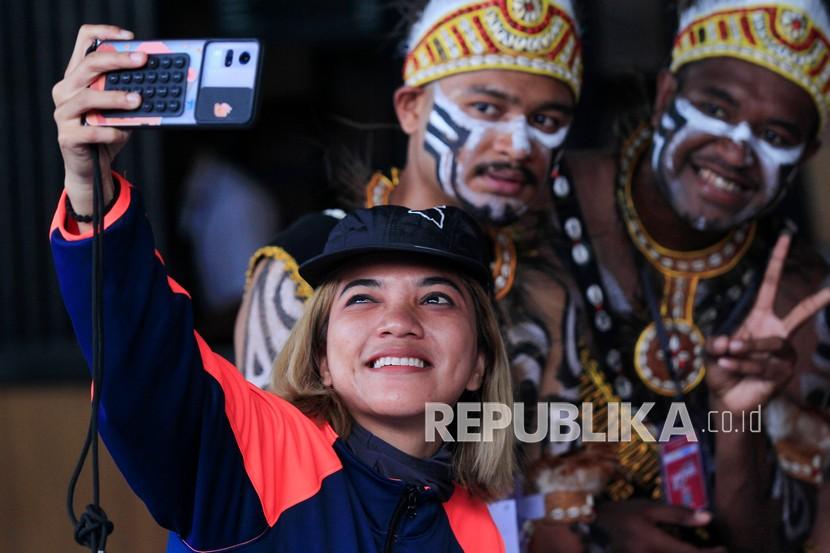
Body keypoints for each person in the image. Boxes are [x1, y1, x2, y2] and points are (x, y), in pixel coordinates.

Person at [49, 69, 518, 550]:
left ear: (480, 362)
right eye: (362, 297)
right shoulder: (253, 454)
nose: (398, 321)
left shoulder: (482, 534)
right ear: (321, 358)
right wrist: (93, 195)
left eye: (436, 298)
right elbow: (149, 363)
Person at [532, 0, 830, 551]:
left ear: (807, 153)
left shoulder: (803, 298)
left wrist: (738, 423)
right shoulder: (538, 208)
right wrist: (583, 533)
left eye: (776, 134)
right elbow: (435, 446)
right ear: (666, 95)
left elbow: (770, 541)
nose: (736, 149)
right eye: (715, 107)